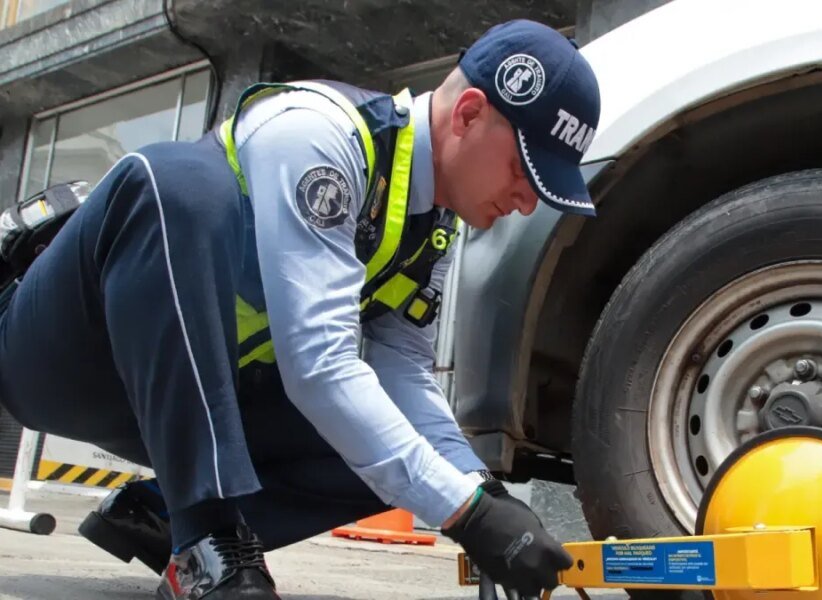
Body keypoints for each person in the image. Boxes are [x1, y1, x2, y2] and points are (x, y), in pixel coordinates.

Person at [0, 18, 601, 600]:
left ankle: (162, 521)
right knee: (178, 184)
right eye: (526, 170)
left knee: (392, 446)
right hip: (65, 356)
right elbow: (319, 363)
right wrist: (465, 515)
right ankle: (208, 537)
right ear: (468, 113)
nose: (528, 201)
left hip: (189, 403)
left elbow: (405, 373)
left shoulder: (431, 228)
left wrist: (480, 491)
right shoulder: (318, 132)